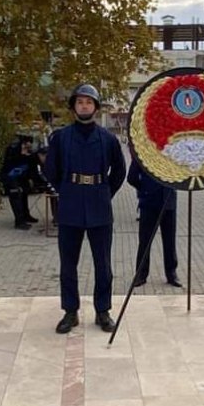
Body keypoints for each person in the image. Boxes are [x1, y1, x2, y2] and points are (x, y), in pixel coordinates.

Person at [44, 83, 126, 334]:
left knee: (103, 264)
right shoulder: (61, 138)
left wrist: (104, 192)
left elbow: (119, 171)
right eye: (80, 102)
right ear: (73, 107)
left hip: (99, 206)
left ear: (96, 107)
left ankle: (103, 311)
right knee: (68, 263)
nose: (84, 106)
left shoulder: (108, 139)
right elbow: (51, 170)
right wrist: (65, 190)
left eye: (89, 102)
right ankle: (70, 311)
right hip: (70, 206)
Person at [126, 156, 181, 288]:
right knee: (145, 240)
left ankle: (171, 273)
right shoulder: (144, 151)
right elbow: (131, 177)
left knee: (169, 241)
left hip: (168, 202)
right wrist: (144, 189)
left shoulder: (172, 151)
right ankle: (141, 274)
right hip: (149, 202)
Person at [1, 134, 39, 229]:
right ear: (24, 143)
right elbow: (8, 164)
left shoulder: (29, 153)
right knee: (16, 196)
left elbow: (32, 167)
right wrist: (21, 154)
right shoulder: (13, 149)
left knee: (25, 194)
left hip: (22, 177)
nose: (30, 145)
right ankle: (19, 221)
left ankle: (26, 215)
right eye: (28, 143)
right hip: (10, 177)